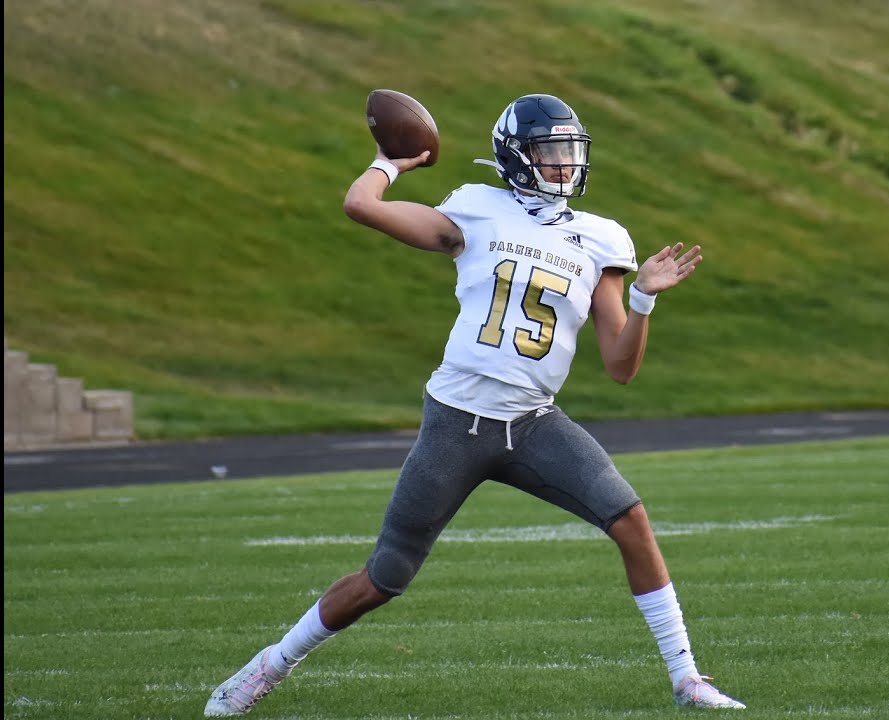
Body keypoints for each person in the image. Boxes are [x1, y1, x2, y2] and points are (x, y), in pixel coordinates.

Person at [203, 93, 746, 715]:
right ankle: (268, 666)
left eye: (571, 152)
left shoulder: (601, 239)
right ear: (516, 157)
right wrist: (390, 161)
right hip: (457, 422)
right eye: (550, 152)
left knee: (630, 521)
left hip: (535, 420)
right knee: (387, 575)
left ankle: (687, 679)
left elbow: (621, 367)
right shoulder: (476, 209)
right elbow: (360, 206)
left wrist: (646, 299)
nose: (565, 165)